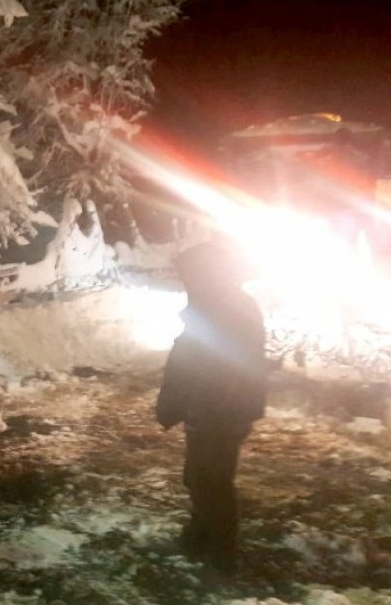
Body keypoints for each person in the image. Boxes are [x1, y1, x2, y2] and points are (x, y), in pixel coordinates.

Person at [156, 238, 268, 576]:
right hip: (208, 408)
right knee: (198, 478)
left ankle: (221, 552)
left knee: (211, 480)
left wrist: (212, 407)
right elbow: (190, 356)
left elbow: (225, 364)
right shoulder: (214, 301)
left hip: (219, 411)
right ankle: (201, 536)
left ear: (208, 272)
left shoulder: (228, 306)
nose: (185, 280)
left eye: (189, 273)